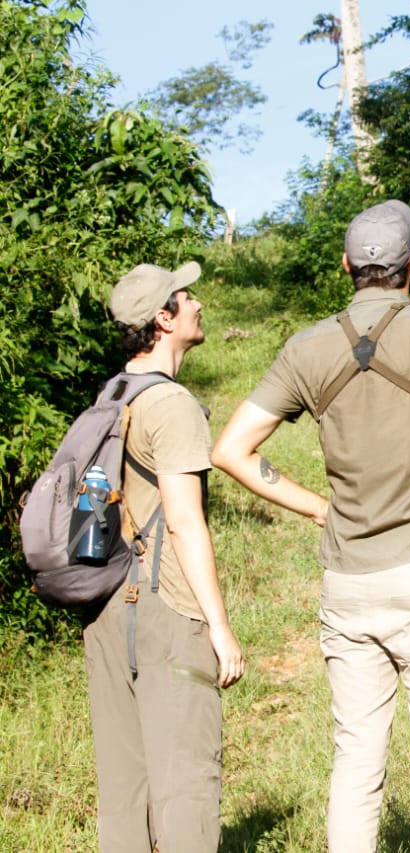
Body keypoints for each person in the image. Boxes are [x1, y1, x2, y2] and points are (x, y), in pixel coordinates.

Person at [211, 200, 410, 853]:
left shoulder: (306, 348)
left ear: (346, 266)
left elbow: (230, 450)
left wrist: (318, 507)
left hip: (348, 583)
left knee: (357, 763)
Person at [84, 261, 245, 852]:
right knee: (185, 787)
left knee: (125, 789)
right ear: (163, 318)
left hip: (106, 607)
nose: (197, 301)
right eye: (185, 295)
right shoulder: (171, 405)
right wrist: (220, 628)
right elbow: (183, 519)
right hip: (164, 607)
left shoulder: (111, 394)